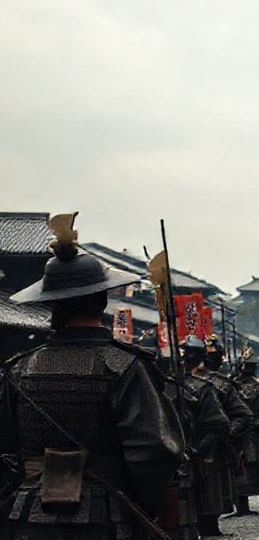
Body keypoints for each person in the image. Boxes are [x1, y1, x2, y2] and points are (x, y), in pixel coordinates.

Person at [0, 214, 184, 540]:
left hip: (28, 514)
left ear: (51, 304)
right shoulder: (123, 365)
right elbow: (154, 451)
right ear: (102, 301)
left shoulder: (20, 369)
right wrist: (148, 503)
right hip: (109, 514)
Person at [195, 336, 253, 520]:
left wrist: (226, 433)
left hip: (214, 444)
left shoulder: (223, 384)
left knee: (214, 487)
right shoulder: (177, 380)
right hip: (188, 441)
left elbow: (243, 415)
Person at [179, 335, 231, 538]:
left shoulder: (203, 388)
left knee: (201, 501)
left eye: (186, 356)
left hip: (197, 452)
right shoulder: (159, 384)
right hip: (168, 455)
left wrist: (200, 448)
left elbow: (220, 424)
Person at [233, 353, 259, 516]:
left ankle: (243, 505)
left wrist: (258, 423)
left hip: (250, 433)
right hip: (233, 432)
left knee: (247, 467)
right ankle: (239, 504)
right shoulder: (232, 385)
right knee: (235, 466)